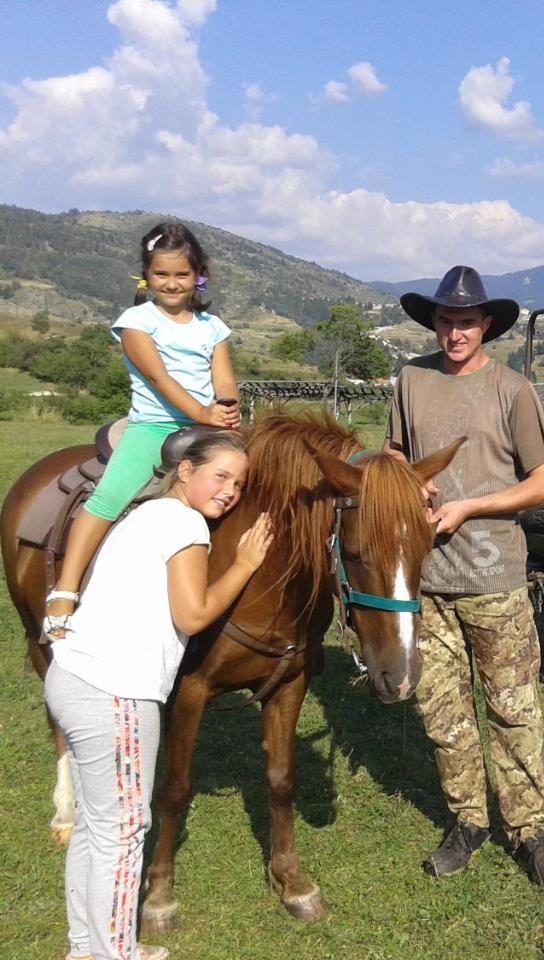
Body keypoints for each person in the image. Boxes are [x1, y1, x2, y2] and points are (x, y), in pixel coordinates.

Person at [45, 429, 272, 960]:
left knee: (98, 828)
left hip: (73, 676)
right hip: (115, 693)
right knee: (125, 832)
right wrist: (244, 564)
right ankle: (115, 953)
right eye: (221, 476)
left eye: (239, 484)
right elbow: (191, 615)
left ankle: (90, 945)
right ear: (186, 471)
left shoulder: (143, 514)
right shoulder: (183, 522)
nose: (230, 492)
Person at [384, 265, 544, 891]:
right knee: (443, 713)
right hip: (427, 581)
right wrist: (410, 476)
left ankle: (531, 832)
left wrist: (469, 506)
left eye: (466, 321)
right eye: (445, 320)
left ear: (486, 324)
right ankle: (469, 821)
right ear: (432, 321)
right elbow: (390, 453)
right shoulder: (410, 379)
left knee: (513, 711)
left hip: (495, 579)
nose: (455, 332)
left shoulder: (512, 389)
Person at [43, 222, 240, 641]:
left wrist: (225, 407)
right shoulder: (136, 321)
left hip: (207, 426)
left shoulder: (213, 327)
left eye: (181, 275)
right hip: (155, 425)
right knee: (109, 497)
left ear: (199, 274)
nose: (171, 284)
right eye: (161, 275)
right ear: (146, 276)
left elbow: (223, 379)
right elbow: (159, 379)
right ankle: (65, 589)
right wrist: (202, 414)